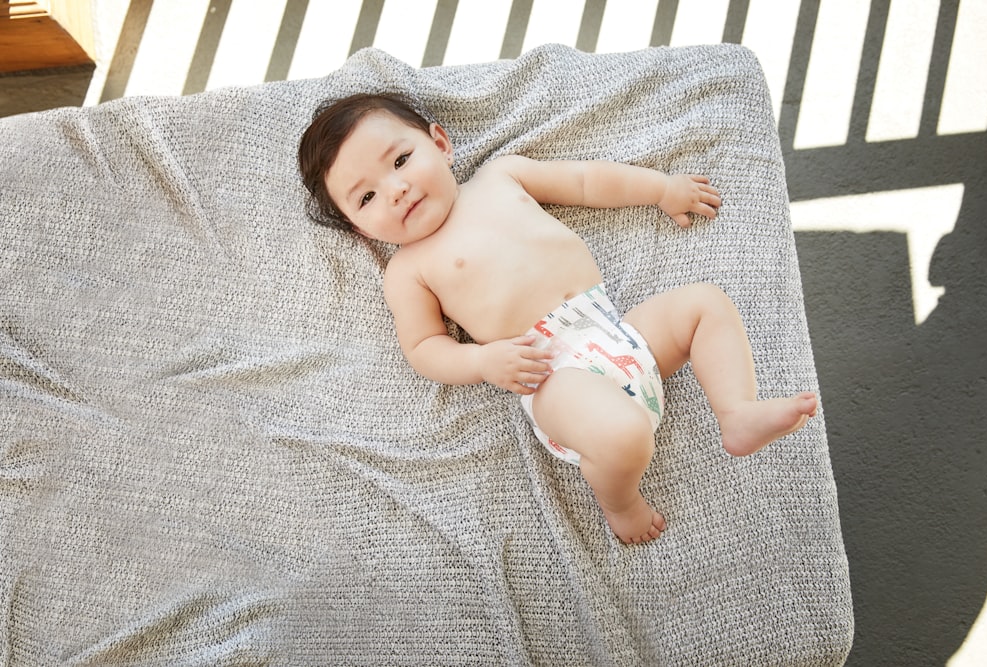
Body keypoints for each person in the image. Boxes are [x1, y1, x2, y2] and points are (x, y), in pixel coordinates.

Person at [298, 93, 818, 544]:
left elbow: (588, 182)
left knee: (705, 303)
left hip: (617, 330)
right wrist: (482, 360)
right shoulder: (408, 271)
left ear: (440, 143)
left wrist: (660, 189)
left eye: (401, 160)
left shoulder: (501, 177)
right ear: (360, 230)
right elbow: (423, 347)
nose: (395, 190)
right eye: (366, 197)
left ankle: (736, 411)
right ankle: (620, 503)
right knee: (622, 436)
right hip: (553, 375)